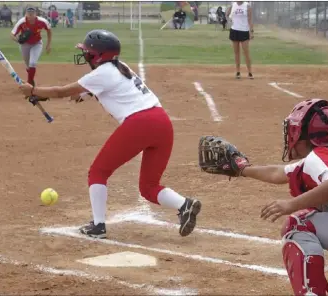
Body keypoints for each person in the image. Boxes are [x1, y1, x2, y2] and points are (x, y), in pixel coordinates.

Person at [18, 29, 202, 239]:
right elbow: (84, 93)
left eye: (87, 52)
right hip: (162, 124)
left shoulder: (102, 73)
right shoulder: (121, 67)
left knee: (98, 172)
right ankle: (184, 204)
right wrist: (48, 97)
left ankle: (98, 226)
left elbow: (62, 91)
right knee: (149, 187)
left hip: (140, 123)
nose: (85, 55)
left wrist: (32, 90)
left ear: (98, 55)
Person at [199, 98, 328, 295]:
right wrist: (242, 168)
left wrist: (291, 204)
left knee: (298, 223)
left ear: (302, 135)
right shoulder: (326, 156)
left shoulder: (319, 158)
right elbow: (279, 173)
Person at [11, 6, 52, 86]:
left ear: (35, 14)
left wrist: (48, 45)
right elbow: (12, 35)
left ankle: (29, 84)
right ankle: (31, 79)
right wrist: (18, 40)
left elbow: (49, 31)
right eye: (28, 14)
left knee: (32, 63)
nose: (30, 16)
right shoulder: (22, 22)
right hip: (24, 45)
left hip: (37, 44)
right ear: (26, 14)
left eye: (32, 14)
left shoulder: (42, 21)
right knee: (28, 66)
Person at [226, 1, 254, 79]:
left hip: (244, 31)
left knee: (246, 52)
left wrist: (251, 32)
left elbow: (250, 20)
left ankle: (250, 72)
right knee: (236, 52)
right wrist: (228, 19)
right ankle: (238, 72)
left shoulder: (247, 6)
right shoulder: (233, 4)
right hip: (234, 30)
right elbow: (227, 14)